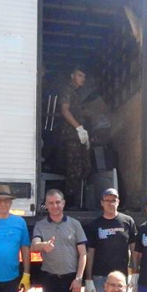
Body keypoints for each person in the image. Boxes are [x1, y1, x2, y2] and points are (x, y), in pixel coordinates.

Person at [84, 188, 137, 292]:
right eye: (107, 200)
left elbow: (134, 249)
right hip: (100, 277)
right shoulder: (94, 225)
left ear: (118, 202)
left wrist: (135, 273)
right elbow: (90, 253)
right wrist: (88, 279)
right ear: (102, 203)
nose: (110, 203)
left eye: (113, 200)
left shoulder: (128, 221)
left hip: (121, 277)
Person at [57, 66, 91, 209]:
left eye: (83, 76)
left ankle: (78, 201)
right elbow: (64, 110)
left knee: (84, 167)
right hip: (71, 136)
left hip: (78, 136)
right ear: (72, 75)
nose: (82, 79)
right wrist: (78, 128)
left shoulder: (77, 93)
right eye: (79, 75)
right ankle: (70, 203)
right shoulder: (68, 90)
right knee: (73, 169)